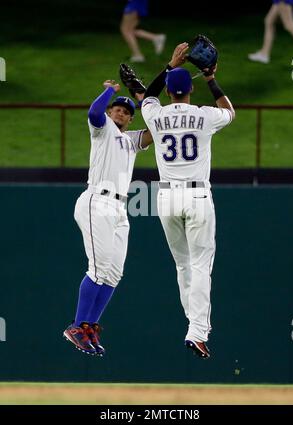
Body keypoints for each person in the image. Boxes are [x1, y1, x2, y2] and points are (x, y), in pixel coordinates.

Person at [141, 43, 235, 359]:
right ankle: (196, 331)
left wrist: (170, 63)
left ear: (169, 92)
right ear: (190, 89)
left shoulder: (155, 115)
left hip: (166, 196)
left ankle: (193, 327)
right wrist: (211, 78)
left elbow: (147, 96)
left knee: (183, 265)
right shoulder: (204, 115)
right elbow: (230, 111)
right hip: (197, 195)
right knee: (200, 265)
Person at [63, 81, 154, 356]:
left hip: (119, 209)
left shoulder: (131, 140)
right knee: (98, 268)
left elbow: (157, 132)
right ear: (111, 111)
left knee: (114, 273)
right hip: (96, 200)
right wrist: (109, 92)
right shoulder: (102, 128)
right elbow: (93, 113)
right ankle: (76, 326)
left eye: (126, 112)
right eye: (117, 109)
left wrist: (145, 98)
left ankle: (90, 325)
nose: (120, 114)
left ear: (131, 117)